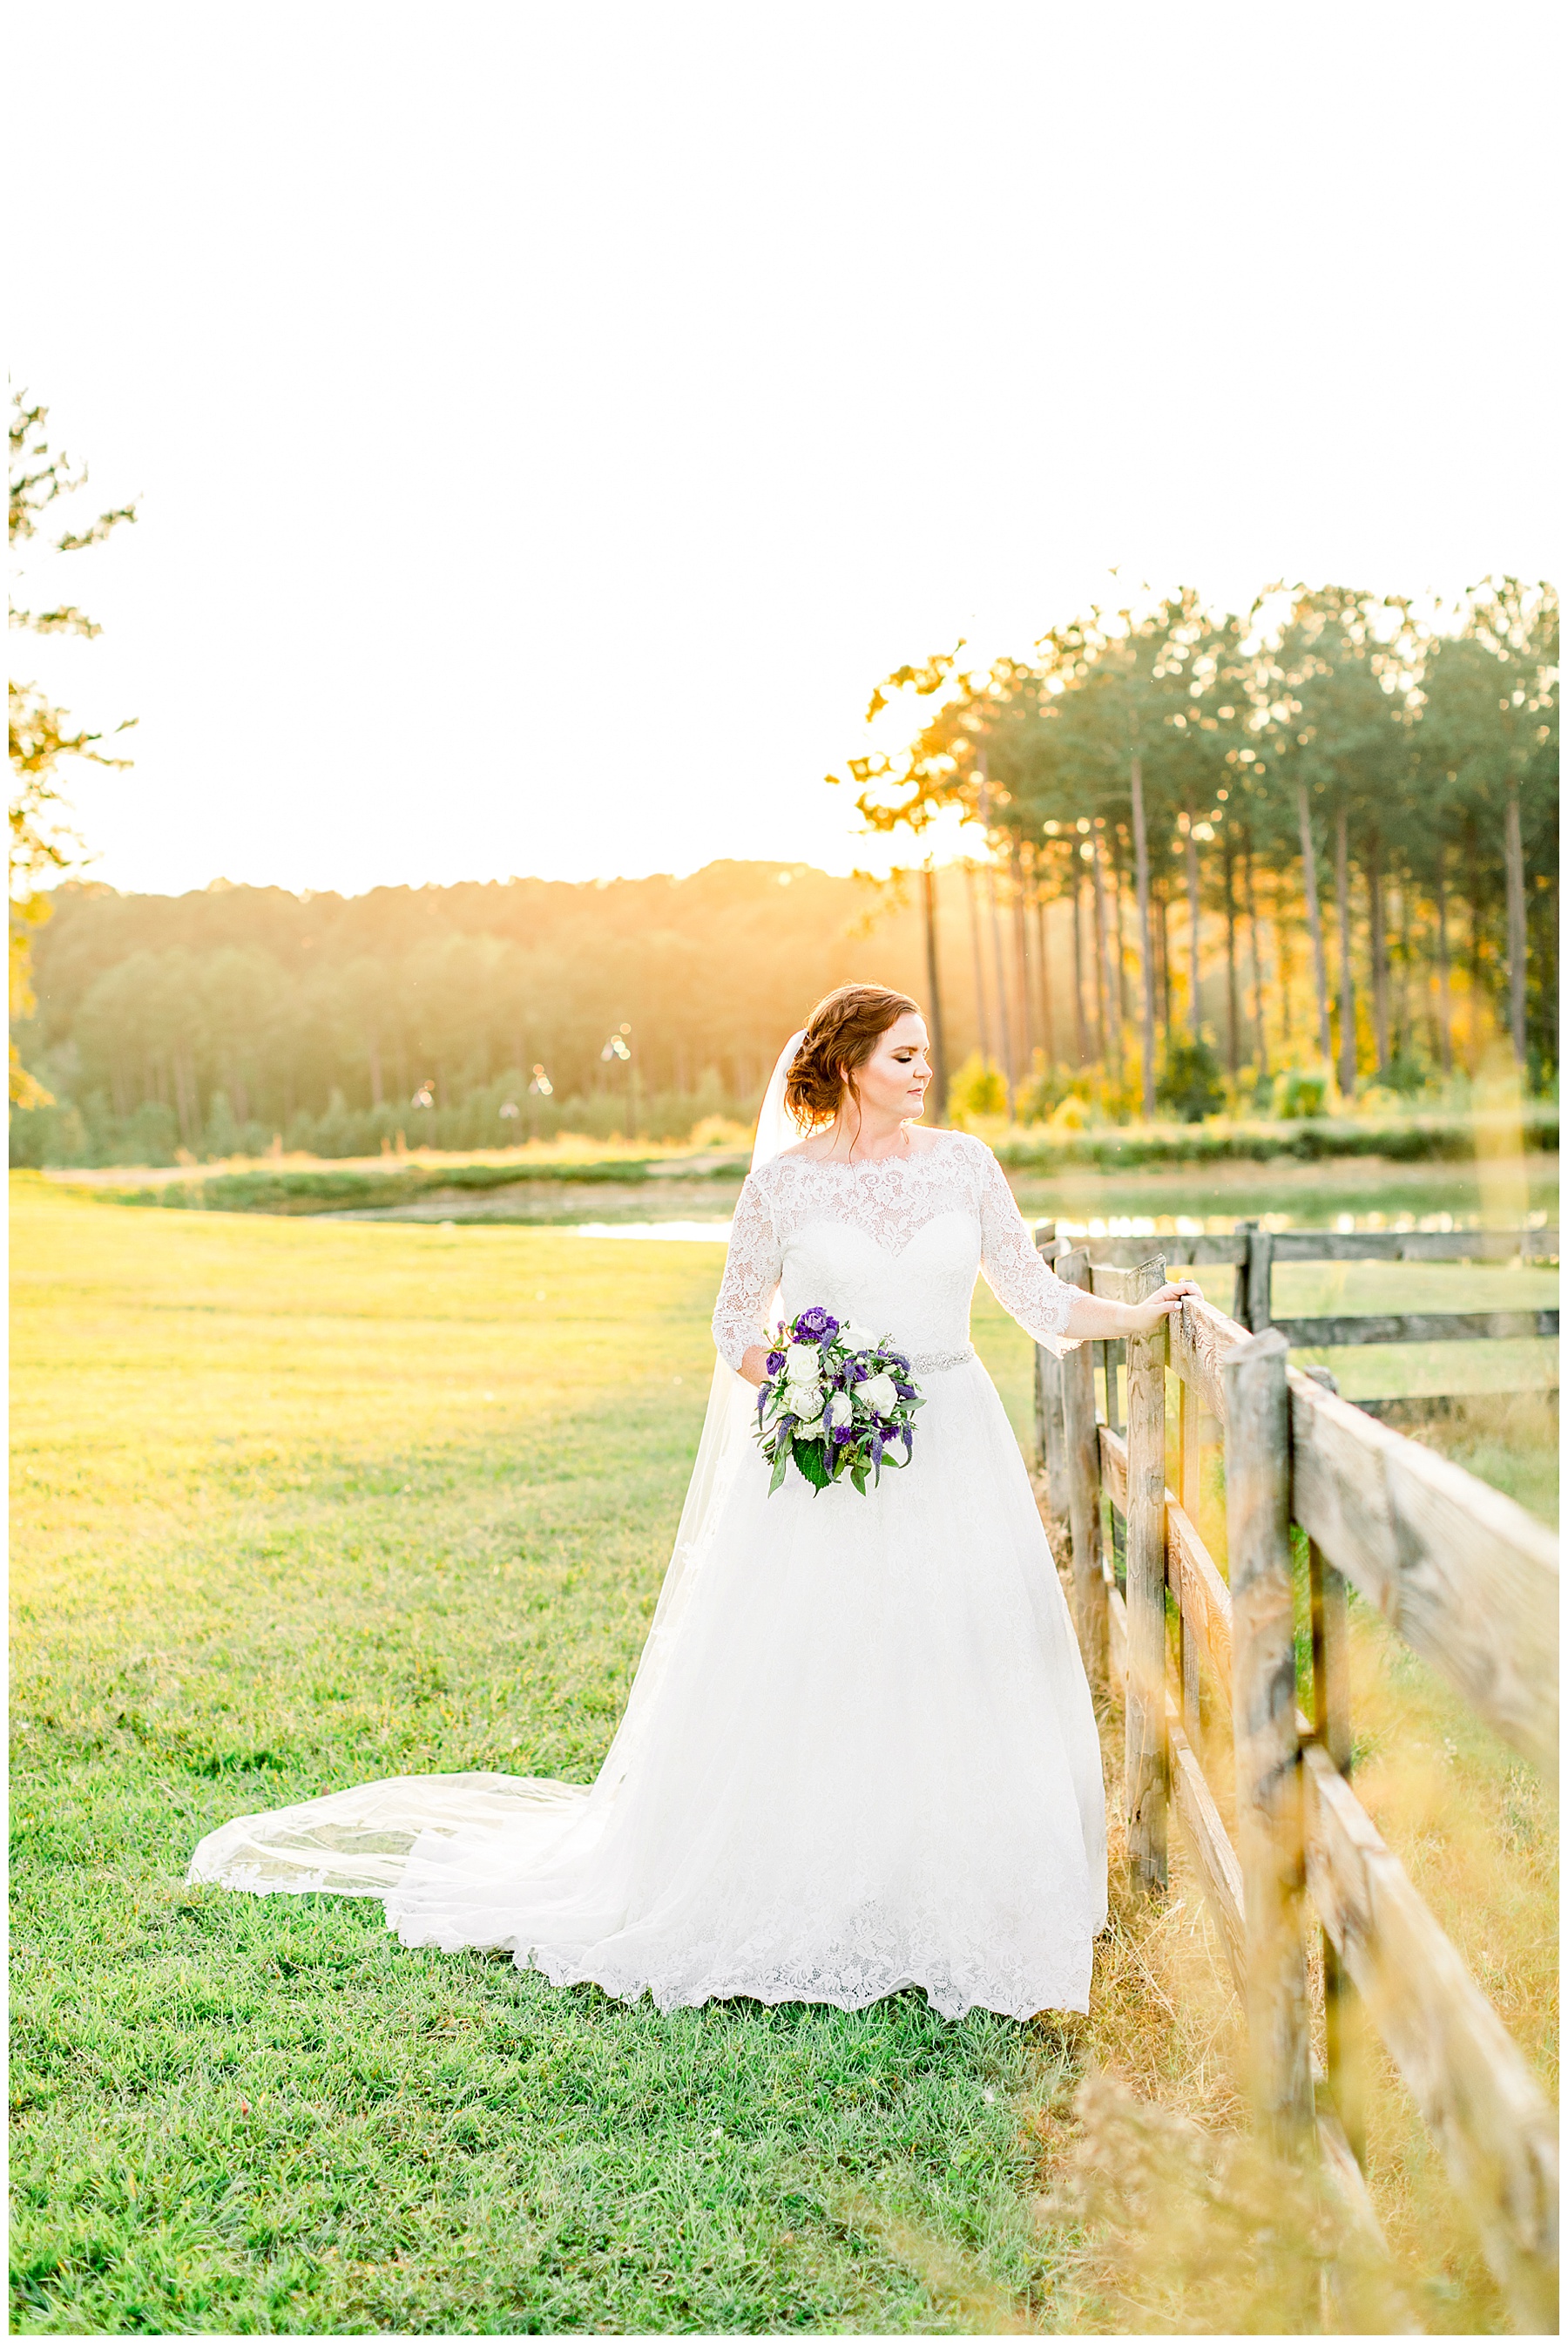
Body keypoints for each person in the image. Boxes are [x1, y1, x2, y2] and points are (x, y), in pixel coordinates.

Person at [189, 984, 1198, 2019]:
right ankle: (828, 1877)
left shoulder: (965, 1166)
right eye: (901, 1055)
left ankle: (966, 1880)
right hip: (833, 1459)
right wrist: (806, 1380)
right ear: (848, 1065)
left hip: (955, 1442)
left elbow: (1033, 1296)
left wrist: (1139, 1314)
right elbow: (732, 1324)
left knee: (957, 1647)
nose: (922, 1069)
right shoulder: (781, 1187)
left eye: (925, 1053)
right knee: (828, 1656)